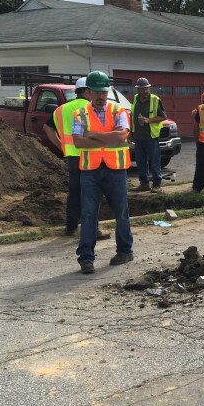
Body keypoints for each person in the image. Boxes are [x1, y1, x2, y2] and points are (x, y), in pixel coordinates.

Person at [71, 71, 134, 274]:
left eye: (104, 92)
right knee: (88, 214)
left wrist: (93, 135)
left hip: (115, 169)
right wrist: (109, 136)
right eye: (96, 92)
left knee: (121, 213)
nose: (100, 96)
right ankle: (86, 258)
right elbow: (78, 142)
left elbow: (122, 137)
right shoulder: (80, 113)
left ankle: (125, 251)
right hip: (90, 171)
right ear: (88, 92)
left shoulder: (118, 111)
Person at [42, 78, 110, 240]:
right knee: (92, 193)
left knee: (75, 192)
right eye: (94, 90)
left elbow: (47, 128)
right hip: (90, 156)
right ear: (88, 92)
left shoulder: (61, 109)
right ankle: (93, 229)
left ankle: (71, 227)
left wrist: (61, 146)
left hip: (72, 157)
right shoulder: (90, 109)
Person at [130, 77, 167, 193]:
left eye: (146, 89)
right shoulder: (135, 99)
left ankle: (157, 184)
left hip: (151, 136)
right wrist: (132, 132)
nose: (144, 91)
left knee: (154, 160)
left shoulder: (155, 100)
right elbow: (132, 115)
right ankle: (144, 183)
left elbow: (163, 117)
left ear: (149, 88)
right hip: (138, 136)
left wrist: (148, 120)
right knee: (140, 161)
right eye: (141, 89)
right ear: (138, 90)